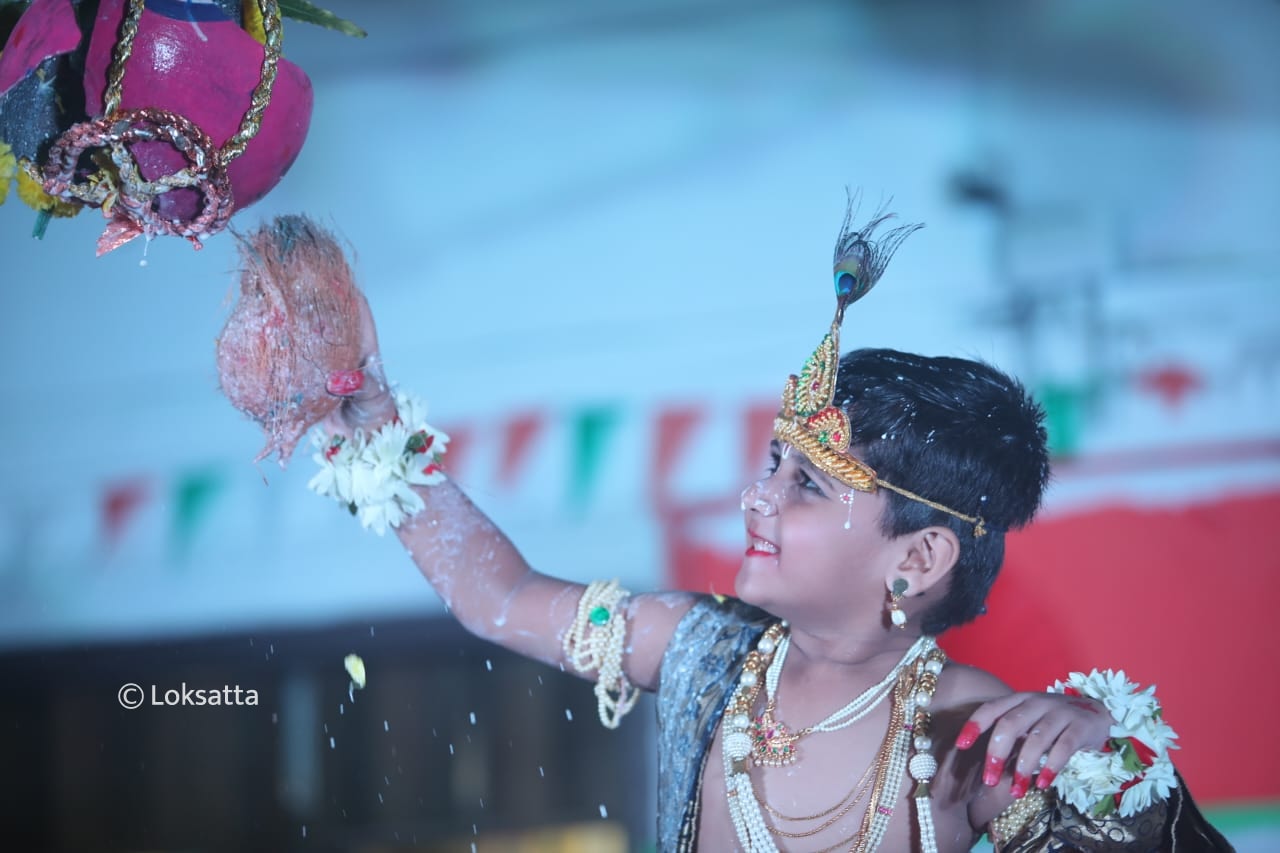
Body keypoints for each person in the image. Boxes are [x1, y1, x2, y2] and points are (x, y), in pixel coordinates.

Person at [301, 204, 1232, 851]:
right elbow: (498, 595)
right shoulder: (694, 648)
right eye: (768, 466)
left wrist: (1104, 758)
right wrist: (371, 426)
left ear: (918, 554)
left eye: (807, 486)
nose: (756, 498)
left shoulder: (969, 729)